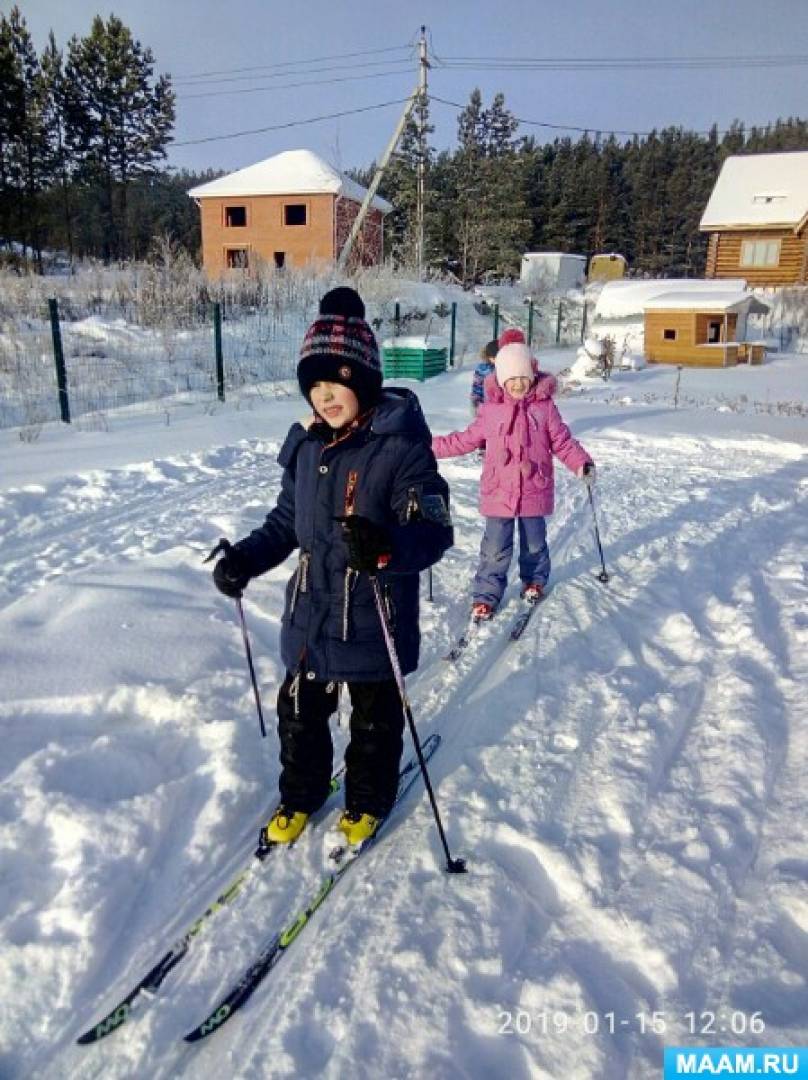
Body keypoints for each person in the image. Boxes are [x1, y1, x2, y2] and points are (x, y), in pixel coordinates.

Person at [211, 287, 452, 847]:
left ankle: (368, 801)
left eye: (336, 381)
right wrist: (244, 559)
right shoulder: (306, 448)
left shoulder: (401, 446)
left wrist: (387, 546)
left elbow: (434, 530)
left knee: (373, 723)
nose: (325, 397)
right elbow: (284, 523)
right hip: (310, 617)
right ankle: (302, 794)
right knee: (298, 716)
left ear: (363, 379)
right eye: (314, 385)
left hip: (374, 619)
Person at [432, 341, 594, 621]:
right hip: (499, 491)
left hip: (534, 487)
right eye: (512, 379)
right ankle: (486, 595)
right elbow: (466, 439)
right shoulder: (490, 410)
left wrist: (581, 463)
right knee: (494, 549)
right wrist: (429, 447)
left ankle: (534, 581)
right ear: (502, 379)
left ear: (531, 376)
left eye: (523, 378)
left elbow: (563, 441)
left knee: (534, 543)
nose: (519, 385)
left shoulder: (545, 408)